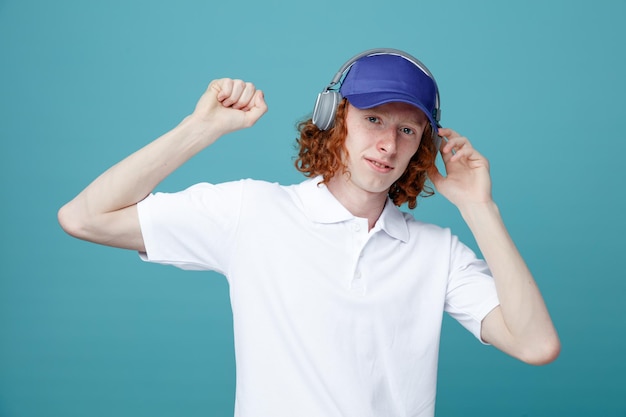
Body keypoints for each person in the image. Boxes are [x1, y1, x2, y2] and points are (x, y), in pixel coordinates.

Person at [58, 49, 560, 417]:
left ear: (420, 149)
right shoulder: (252, 211)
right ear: (332, 118)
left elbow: (536, 345)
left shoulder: (436, 253)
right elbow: (85, 217)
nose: (387, 143)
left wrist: (480, 207)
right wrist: (199, 129)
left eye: (407, 130)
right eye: (373, 118)